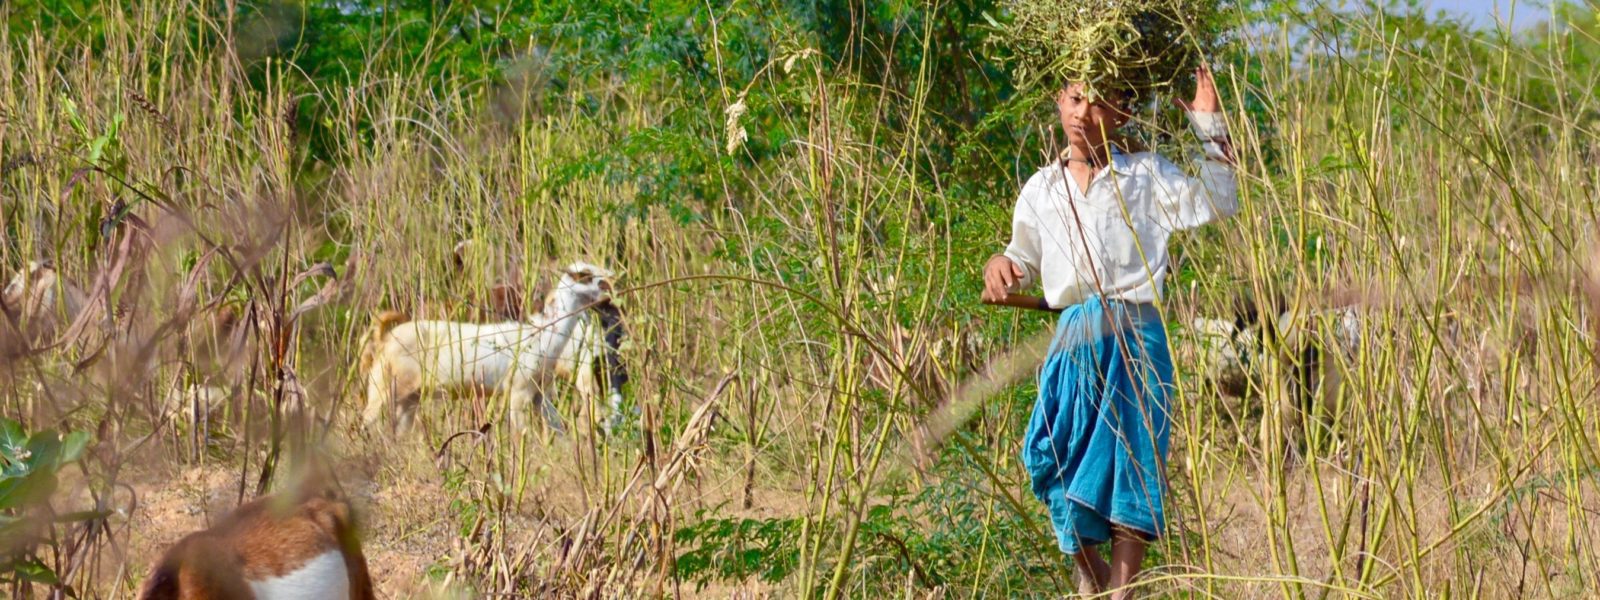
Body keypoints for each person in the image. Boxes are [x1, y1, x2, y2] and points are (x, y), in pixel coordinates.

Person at [980, 67, 1237, 598]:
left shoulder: (1146, 176)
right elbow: (1021, 256)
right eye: (1075, 99)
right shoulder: (1041, 188)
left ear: (1121, 113)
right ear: (1059, 101)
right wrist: (1000, 266)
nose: (1083, 114)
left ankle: (1119, 592)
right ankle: (1092, 574)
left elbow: (1219, 200)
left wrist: (1210, 123)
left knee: (1132, 468)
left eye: (1098, 103)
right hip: (1073, 341)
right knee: (1047, 454)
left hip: (1137, 337)